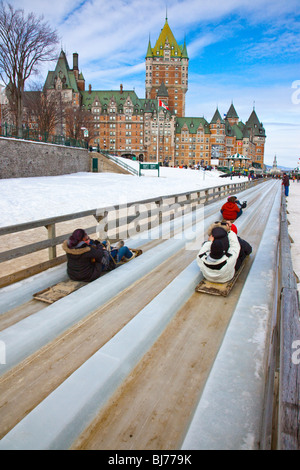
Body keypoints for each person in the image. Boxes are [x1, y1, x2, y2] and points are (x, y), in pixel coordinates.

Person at [62, 229, 134, 282]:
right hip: (88, 275)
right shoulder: (88, 250)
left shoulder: (70, 247)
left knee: (104, 243)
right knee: (124, 249)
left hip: (73, 274)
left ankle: (114, 249)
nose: (88, 240)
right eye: (87, 239)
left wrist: (94, 244)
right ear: (81, 241)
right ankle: (128, 254)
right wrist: (100, 246)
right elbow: (104, 258)